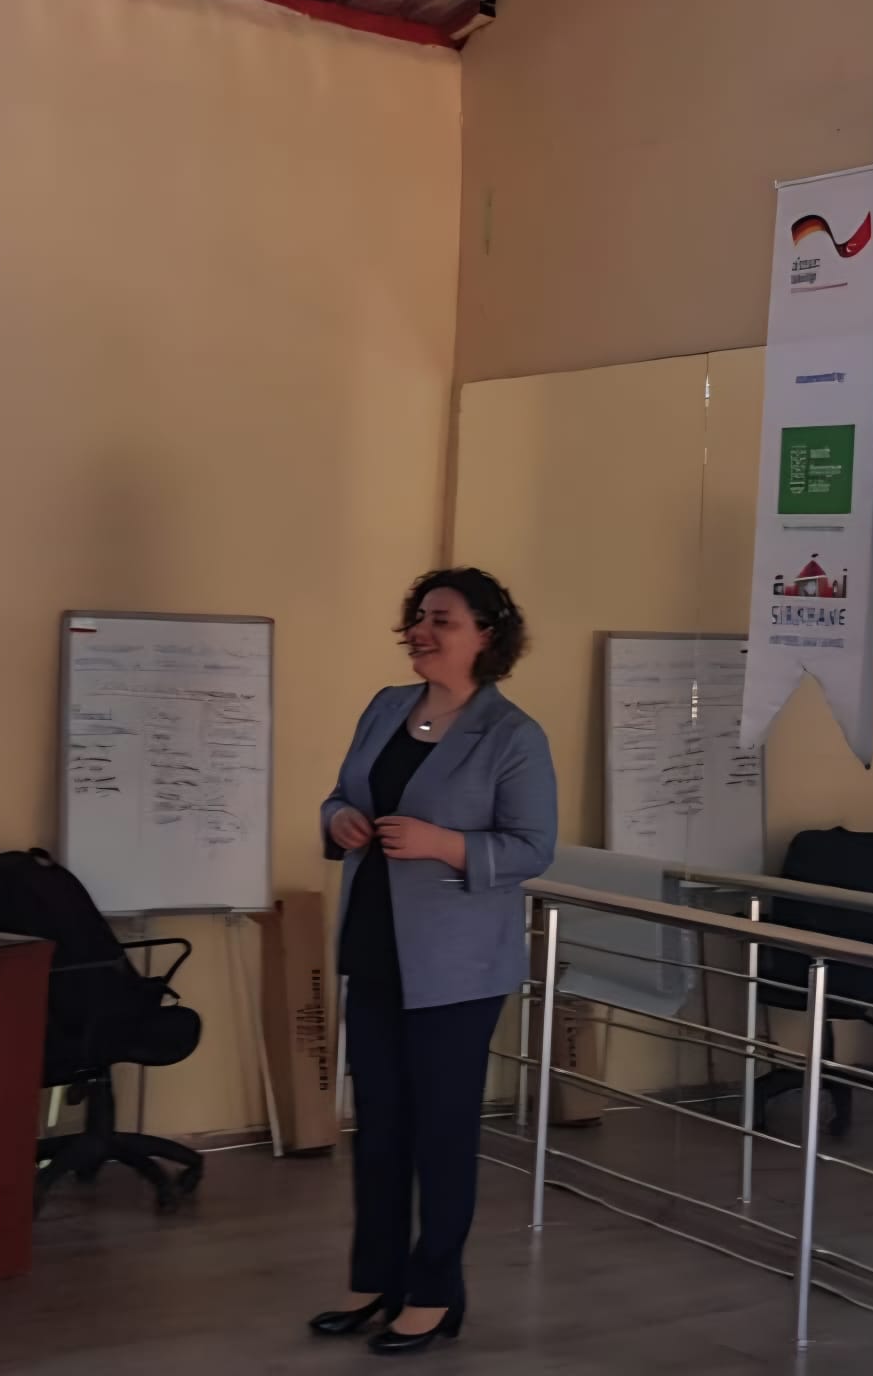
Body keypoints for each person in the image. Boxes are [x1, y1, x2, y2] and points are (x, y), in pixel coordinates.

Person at [310, 567, 556, 1358]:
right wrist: (342, 818)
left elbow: (532, 847)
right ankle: (372, 1279)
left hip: (455, 967)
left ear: (486, 634)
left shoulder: (513, 735)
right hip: (374, 948)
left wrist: (443, 843)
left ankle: (434, 1291)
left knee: (440, 1132)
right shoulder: (386, 707)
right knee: (378, 1128)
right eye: (417, 617)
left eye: (441, 620)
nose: (420, 631)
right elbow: (337, 795)